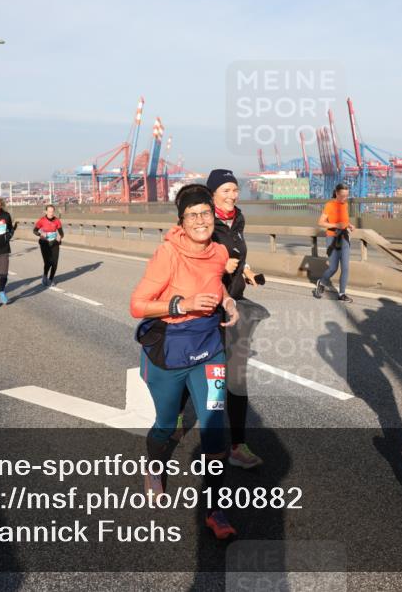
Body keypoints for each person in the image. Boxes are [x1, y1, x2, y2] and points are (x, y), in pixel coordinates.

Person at [131, 184, 240, 540]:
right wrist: (183, 304)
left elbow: (217, 284)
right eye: (191, 215)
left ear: (213, 215)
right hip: (170, 351)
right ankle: (154, 467)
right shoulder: (168, 253)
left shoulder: (220, 251)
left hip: (209, 349)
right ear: (181, 221)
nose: (200, 220)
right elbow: (137, 305)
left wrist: (228, 303)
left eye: (205, 213)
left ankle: (215, 508)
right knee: (166, 424)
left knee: (215, 428)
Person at [205, 168, 268, 468]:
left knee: (236, 377)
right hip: (208, 307)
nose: (232, 195)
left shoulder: (238, 219)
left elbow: (237, 253)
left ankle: (237, 445)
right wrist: (219, 267)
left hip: (236, 305)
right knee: (205, 371)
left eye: (234, 189)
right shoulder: (203, 221)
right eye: (226, 190)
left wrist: (246, 270)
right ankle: (177, 414)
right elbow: (190, 259)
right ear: (212, 194)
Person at [313, 183, 354, 303]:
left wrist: (349, 225)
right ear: (336, 193)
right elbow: (321, 222)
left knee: (345, 268)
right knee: (333, 268)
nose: (345, 198)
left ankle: (342, 294)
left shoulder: (345, 205)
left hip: (344, 238)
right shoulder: (329, 205)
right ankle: (321, 282)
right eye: (342, 195)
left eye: (346, 195)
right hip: (332, 239)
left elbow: (343, 220)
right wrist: (336, 225)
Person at [33, 205, 64, 286]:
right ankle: (45, 276)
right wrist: (40, 234)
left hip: (54, 243)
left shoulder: (57, 221)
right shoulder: (42, 220)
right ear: (46, 212)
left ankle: (50, 279)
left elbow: (61, 233)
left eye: (52, 211)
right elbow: (35, 231)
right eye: (49, 211)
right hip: (45, 243)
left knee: (54, 263)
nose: (51, 213)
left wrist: (60, 237)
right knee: (48, 262)